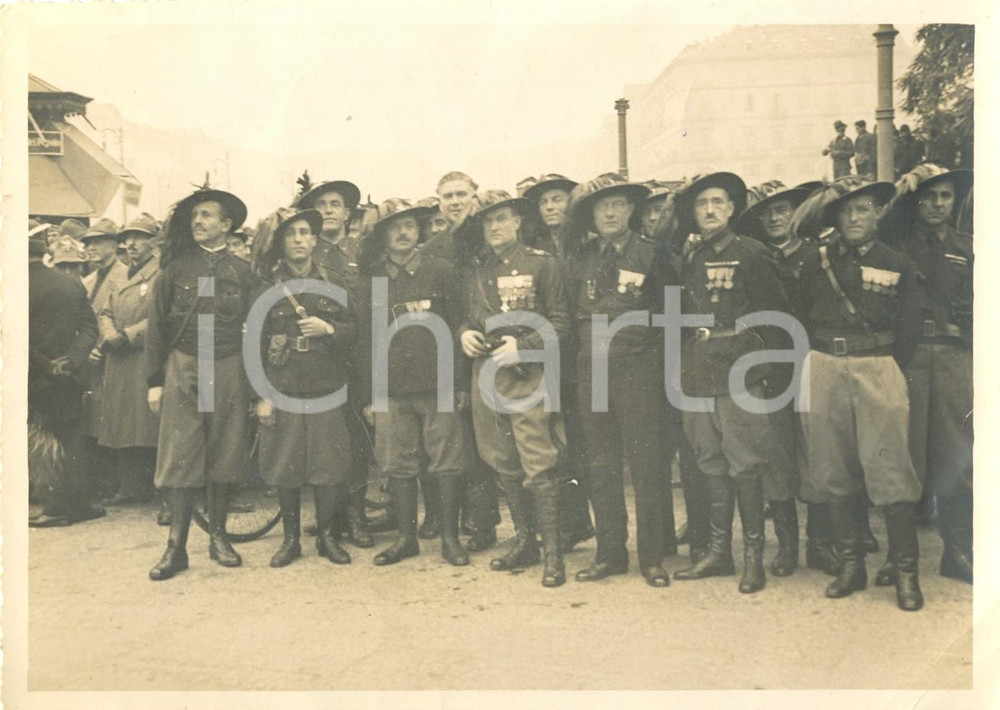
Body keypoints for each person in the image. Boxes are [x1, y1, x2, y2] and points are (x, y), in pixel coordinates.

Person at [795, 178, 924, 611]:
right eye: (846, 211)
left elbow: (908, 329)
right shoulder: (817, 263)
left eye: (864, 210)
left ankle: (906, 571)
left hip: (877, 367)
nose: (854, 219)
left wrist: (883, 366)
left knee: (890, 470)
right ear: (836, 217)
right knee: (833, 469)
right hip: (825, 365)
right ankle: (851, 565)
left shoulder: (898, 263)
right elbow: (800, 315)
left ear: (877, 216)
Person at [672, 172, 790, 595]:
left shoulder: (752, 254)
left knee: (746, 465)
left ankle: (752, 559)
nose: (708, 210)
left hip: (741, 370)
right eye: (701, 203)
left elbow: (776, 321)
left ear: (732, 208)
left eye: (718, 202)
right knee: (711, 463)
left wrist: (771, 377)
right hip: (699, 370)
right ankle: (719, 554)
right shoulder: (691, 256)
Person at [567, 173, 677, 588]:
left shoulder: (653, 255)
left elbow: (670, 320)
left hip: (640, 372)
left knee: (647, 465)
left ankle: (651, 558)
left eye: (617, 205)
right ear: (592, 215)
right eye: (601, 206)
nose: (610, 213)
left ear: (631, 210)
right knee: (601, 466)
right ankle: (610, 554)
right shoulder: (581, 259)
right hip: (592, 372)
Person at [458, 189, 571, 587]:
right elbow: (472, 315)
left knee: (537, 462)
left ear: (519, 221)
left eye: (502, 218)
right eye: (487, 221)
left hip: (528, 375)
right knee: (502, 459)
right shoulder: (478, 268)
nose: (494, 227)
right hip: (487, 374)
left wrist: (522, 348)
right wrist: (466, 334)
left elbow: (560, 323)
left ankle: (553, 555)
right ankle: (526, 540)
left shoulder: (542, 264)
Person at [146, 187, 255, 580]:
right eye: (195, 216)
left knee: (224, 453)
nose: (198, 221)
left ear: (227, 225)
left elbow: (254, 328)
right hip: (184, 367)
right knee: (179, 456)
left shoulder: (243, 272)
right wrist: (155, 381)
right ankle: (175, 548)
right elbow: (156, 327)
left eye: (207, 215)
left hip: (227, 366)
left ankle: (219, 538)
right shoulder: (174, 269)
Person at [356, 199, 472, 566]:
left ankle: (450, 540)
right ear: (384, 236)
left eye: (409, 225)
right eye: (395, 227)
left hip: (438, 385)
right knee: (397, 464)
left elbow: (460, 328)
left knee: (447, 463)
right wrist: (369, 396)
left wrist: (461, 384)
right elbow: (364, 341)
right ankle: (407, 539)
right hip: (390, 390)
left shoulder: (442, 271)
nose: (404, 232)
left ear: (419, 231)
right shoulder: (371, 280)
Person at [879, 165, 974, 585]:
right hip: (911, 356)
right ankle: (898, 558)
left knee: (958, 456)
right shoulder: (897, 245)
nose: (937, 204)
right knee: (907, 456)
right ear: (916, 202)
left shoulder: (967, 248)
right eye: (930, 196)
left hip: (954, 357)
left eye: (946, 197)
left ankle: (957, 552)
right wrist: (903, 191)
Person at [735, 180, 834, 577]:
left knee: (817, 453)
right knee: (776, 455)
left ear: (797, 213)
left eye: (782, 209)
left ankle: (821, 544)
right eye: (766, 212)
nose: (775, 218)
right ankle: (787, 546)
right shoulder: (756, 258)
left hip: (811, 361)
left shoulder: (816, 256)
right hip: (769, 366)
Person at [252, 206, 357, 567]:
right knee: (286, 464)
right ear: (282, 242)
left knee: (328, 465)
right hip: (283, 386)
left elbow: (356, 332)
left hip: (326, 383)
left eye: (304, 233)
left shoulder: (335, 283)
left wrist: (329, 329)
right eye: (291, 234)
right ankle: (291, 540)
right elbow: (253, 346)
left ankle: (326, 537)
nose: (298, 240)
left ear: (314, 240)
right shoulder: (266, 288)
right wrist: (262, 396)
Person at [294, 178, 374, 549]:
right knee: (323, 441)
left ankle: (356, 516)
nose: (328, 210)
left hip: (357, 355)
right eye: (321, 205)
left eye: (335, 204)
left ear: (347, 213)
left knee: (356, 438)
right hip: (320, 359)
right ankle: (330, 516)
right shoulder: (306, 254)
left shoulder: (363, 251)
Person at [522, 173, 596, 553]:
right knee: (556, 444)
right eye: (544, 202)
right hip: (550, 359)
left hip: (584, 355)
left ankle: (593, 525)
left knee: (585, 443)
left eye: (557, 199)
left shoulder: (588, 245)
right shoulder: (533, 248)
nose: (551, 208)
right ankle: (573, 523)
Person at [28, 222, 105, 527]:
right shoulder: (71, 285)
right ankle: (79, 505)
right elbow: (89, 328)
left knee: (39, 438)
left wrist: (45, 364)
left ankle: (52, 506)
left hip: (32, 375)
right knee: (72, 436)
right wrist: (69, 361)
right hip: (68, 374)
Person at [92, 213, 162, 506]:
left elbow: (161, 319)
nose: (132, 244)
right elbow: (105, 311)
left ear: (154, 242)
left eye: (140, 237)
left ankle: (155, 487)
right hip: (118, 359)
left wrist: (129, 335)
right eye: (128, 238)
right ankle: (131, 486)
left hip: (144, 358)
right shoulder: (123, 275)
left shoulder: (161, 274)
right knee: (121, 424)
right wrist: (109, 334)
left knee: (146, 425)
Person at [79, 219, 130, 501]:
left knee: (113, 420)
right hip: (89, 358)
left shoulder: (125, 275)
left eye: (98, 241)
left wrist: (102, 347)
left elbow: (120, 316)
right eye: (88, 243)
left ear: (114, 244)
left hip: (112, 355)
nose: (91, 248)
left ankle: (119, 482)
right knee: (95, 419)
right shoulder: (87, 280)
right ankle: (103, 481)